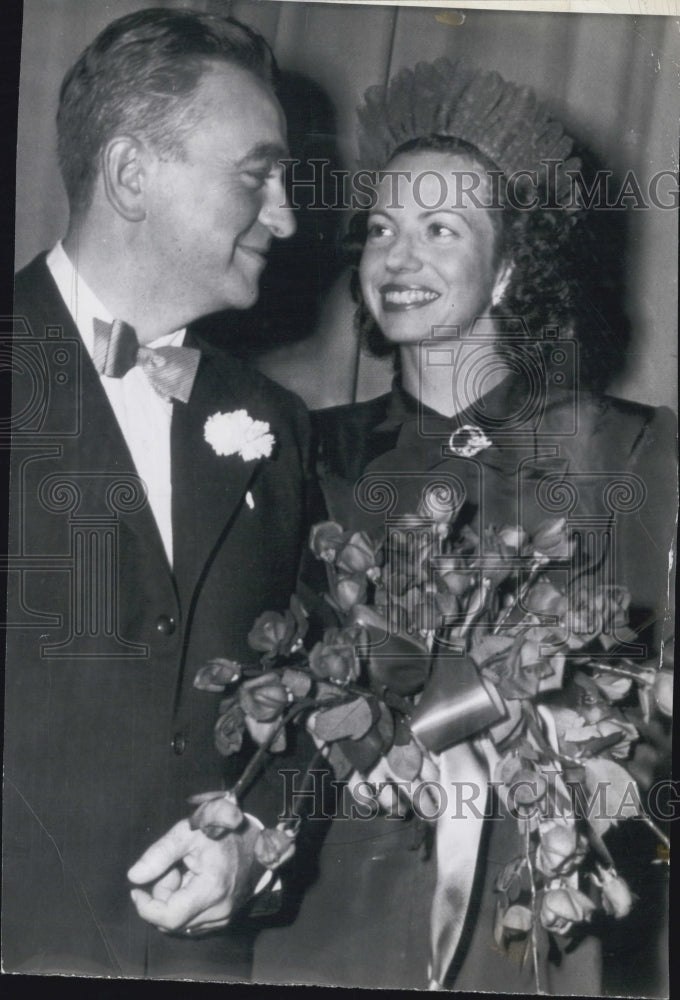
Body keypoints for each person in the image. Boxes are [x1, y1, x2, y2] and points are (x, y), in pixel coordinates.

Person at [253, 60, 676, 993]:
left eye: (441, 229)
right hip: (327, 923)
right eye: (381, 229)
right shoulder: (303, 448)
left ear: (509, 272)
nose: (397, 261)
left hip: (528, 924)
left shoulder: (627, 449)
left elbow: (650, 707)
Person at [3, 7, 313, 980]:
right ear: (132, 174)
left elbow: (311, 697)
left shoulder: (275, 422)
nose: (287, 216)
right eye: (255, 175)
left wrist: (258, 843)